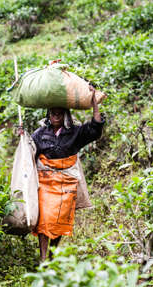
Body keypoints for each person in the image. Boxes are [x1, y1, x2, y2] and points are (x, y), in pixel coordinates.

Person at [30, 85, 104, 261]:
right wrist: (22, 136)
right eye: (52, 113)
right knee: (45, 219)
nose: (55, 116)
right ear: (48, 115)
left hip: (67, 182)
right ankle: (42, 259)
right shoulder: (40, 134)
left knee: (59, 221)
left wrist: (94, 101)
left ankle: (52, 255)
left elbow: (95, 128)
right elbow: (29, 153)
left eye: (59, 113)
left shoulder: (75, 133)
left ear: (65, 115)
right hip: (46, 182)